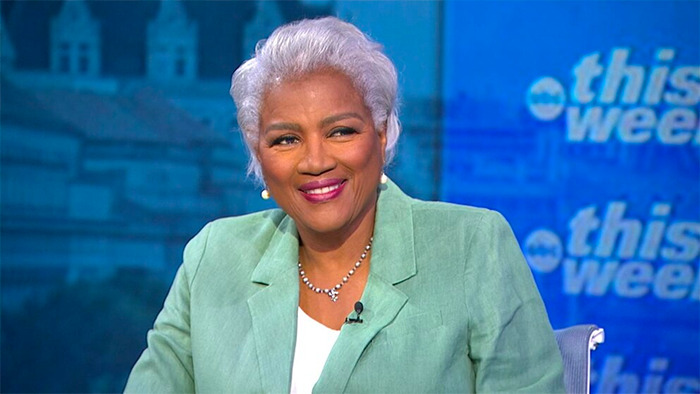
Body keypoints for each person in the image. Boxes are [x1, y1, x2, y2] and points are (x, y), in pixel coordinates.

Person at [125, 17, 565, 393]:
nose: (316, 161)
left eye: (341, 132)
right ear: (258, 156)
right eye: (286, 139)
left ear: (382, 133)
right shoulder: (215, 255)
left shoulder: (472, 248)